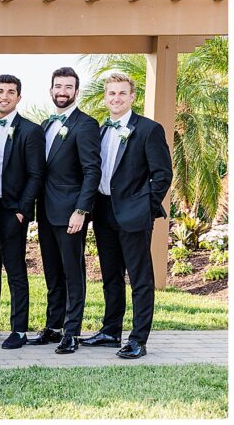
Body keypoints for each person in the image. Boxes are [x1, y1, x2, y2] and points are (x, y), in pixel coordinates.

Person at [81, 72, 172, 359]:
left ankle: (138, 339)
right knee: (110, 276)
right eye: (111, 93)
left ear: (132, 97)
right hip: (104, 210)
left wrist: (144, 205)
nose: (116, 98)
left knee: (140, 278)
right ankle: (110, 330)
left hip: (134, 214)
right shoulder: (100, 130)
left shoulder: (148, 129)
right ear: (105, 97)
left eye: (122, 93)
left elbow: (163, 174)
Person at [34, 67, 101, 354]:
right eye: (58, 86)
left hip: (71, 211)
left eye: (68, 87)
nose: (62, 91)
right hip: (46, 210)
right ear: (51, 90)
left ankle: (71, 332)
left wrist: (81, 210)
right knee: (52, 270)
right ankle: (53, 325)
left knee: (73, 271)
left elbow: (91, 170)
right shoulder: (46, 124)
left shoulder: (85, 125)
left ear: (76, 91)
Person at [0, 75, 45, 348]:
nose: (4, 96)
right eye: (0, 91)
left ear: (19, 97)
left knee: (15, 269)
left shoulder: (29, 130)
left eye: (10, 92)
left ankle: (18, 329)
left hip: (11, 209)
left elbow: (35, 174)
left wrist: (22, 210)